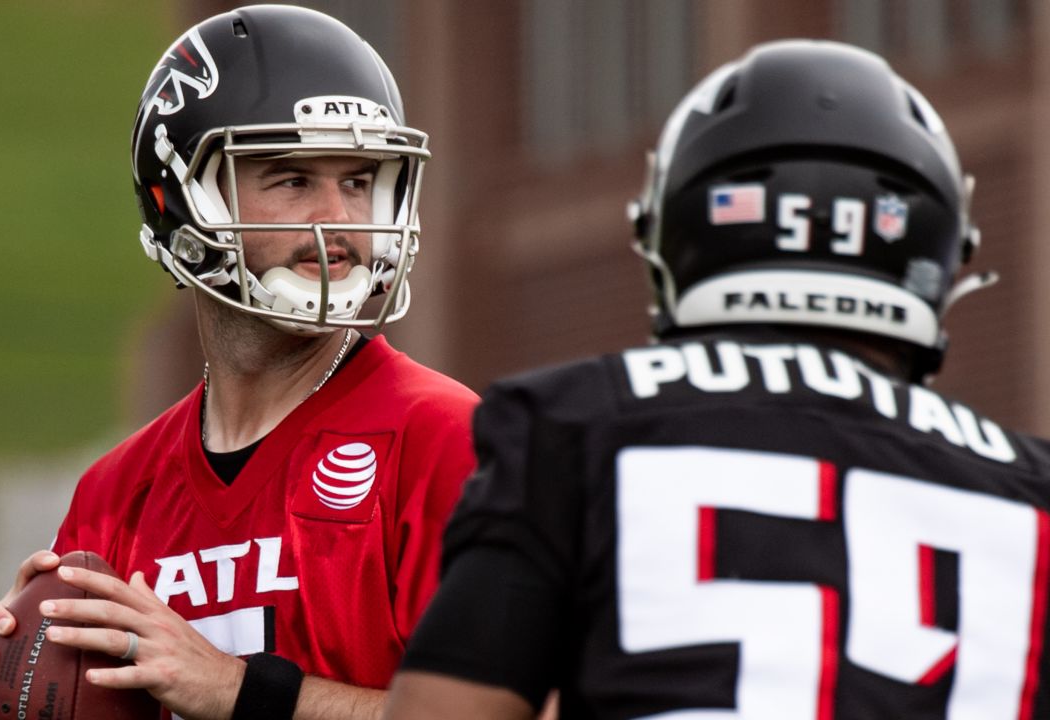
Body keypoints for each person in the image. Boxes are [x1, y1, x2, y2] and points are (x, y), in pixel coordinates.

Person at [384, 39, 1050, 719]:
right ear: (936, 247)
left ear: (677, 229)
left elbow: (445, 710)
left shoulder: (575, 420)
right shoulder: (1034, 486)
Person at [0, 6, 478, 719]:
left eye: (358, 180)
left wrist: (238, 690)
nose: (338, 218)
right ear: (180, 202)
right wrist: (19, 682)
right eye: (292, 180)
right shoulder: (115, 497)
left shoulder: (448, 440)